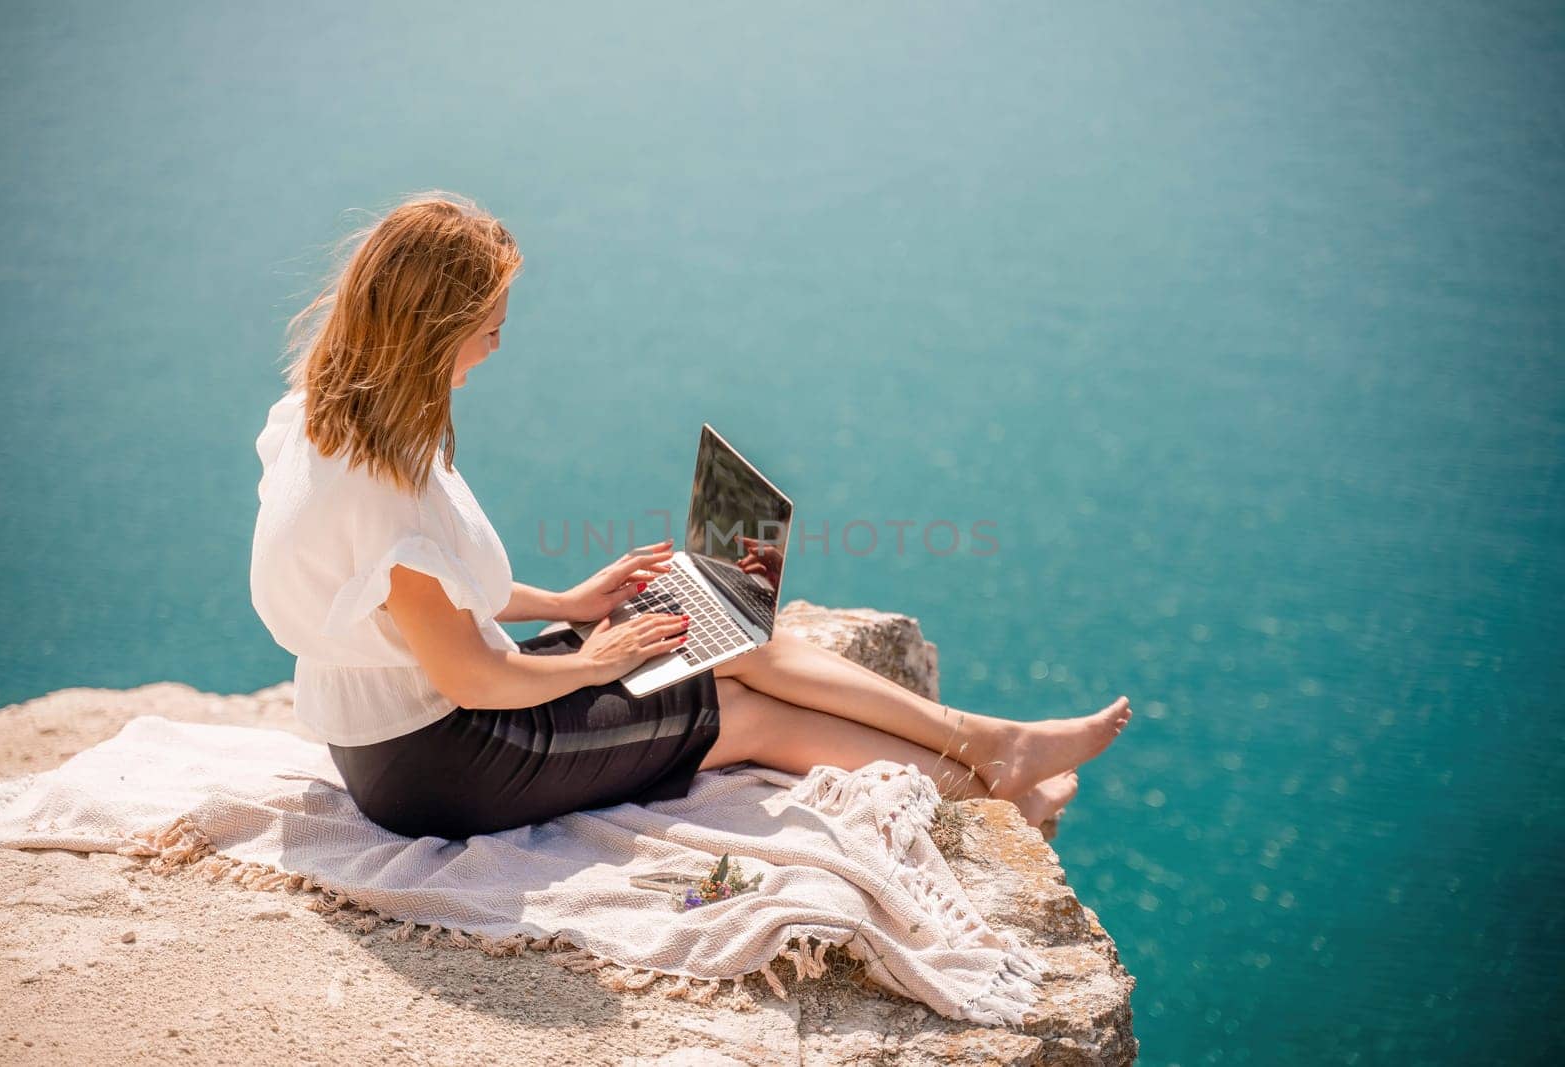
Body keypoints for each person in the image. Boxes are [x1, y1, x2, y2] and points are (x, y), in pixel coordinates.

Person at [249, 190, 1132, 842]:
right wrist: (592, 662)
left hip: (412, 717)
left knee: (727, 627)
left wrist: (570, 603)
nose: (495, 347)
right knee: (744, 711)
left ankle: (990, 743)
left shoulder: (329, 418)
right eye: (487, 330)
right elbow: (474, 675)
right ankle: (995, 788)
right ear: (430, 333)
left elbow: (421, 599)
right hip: (440, 765)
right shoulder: (383, 492)